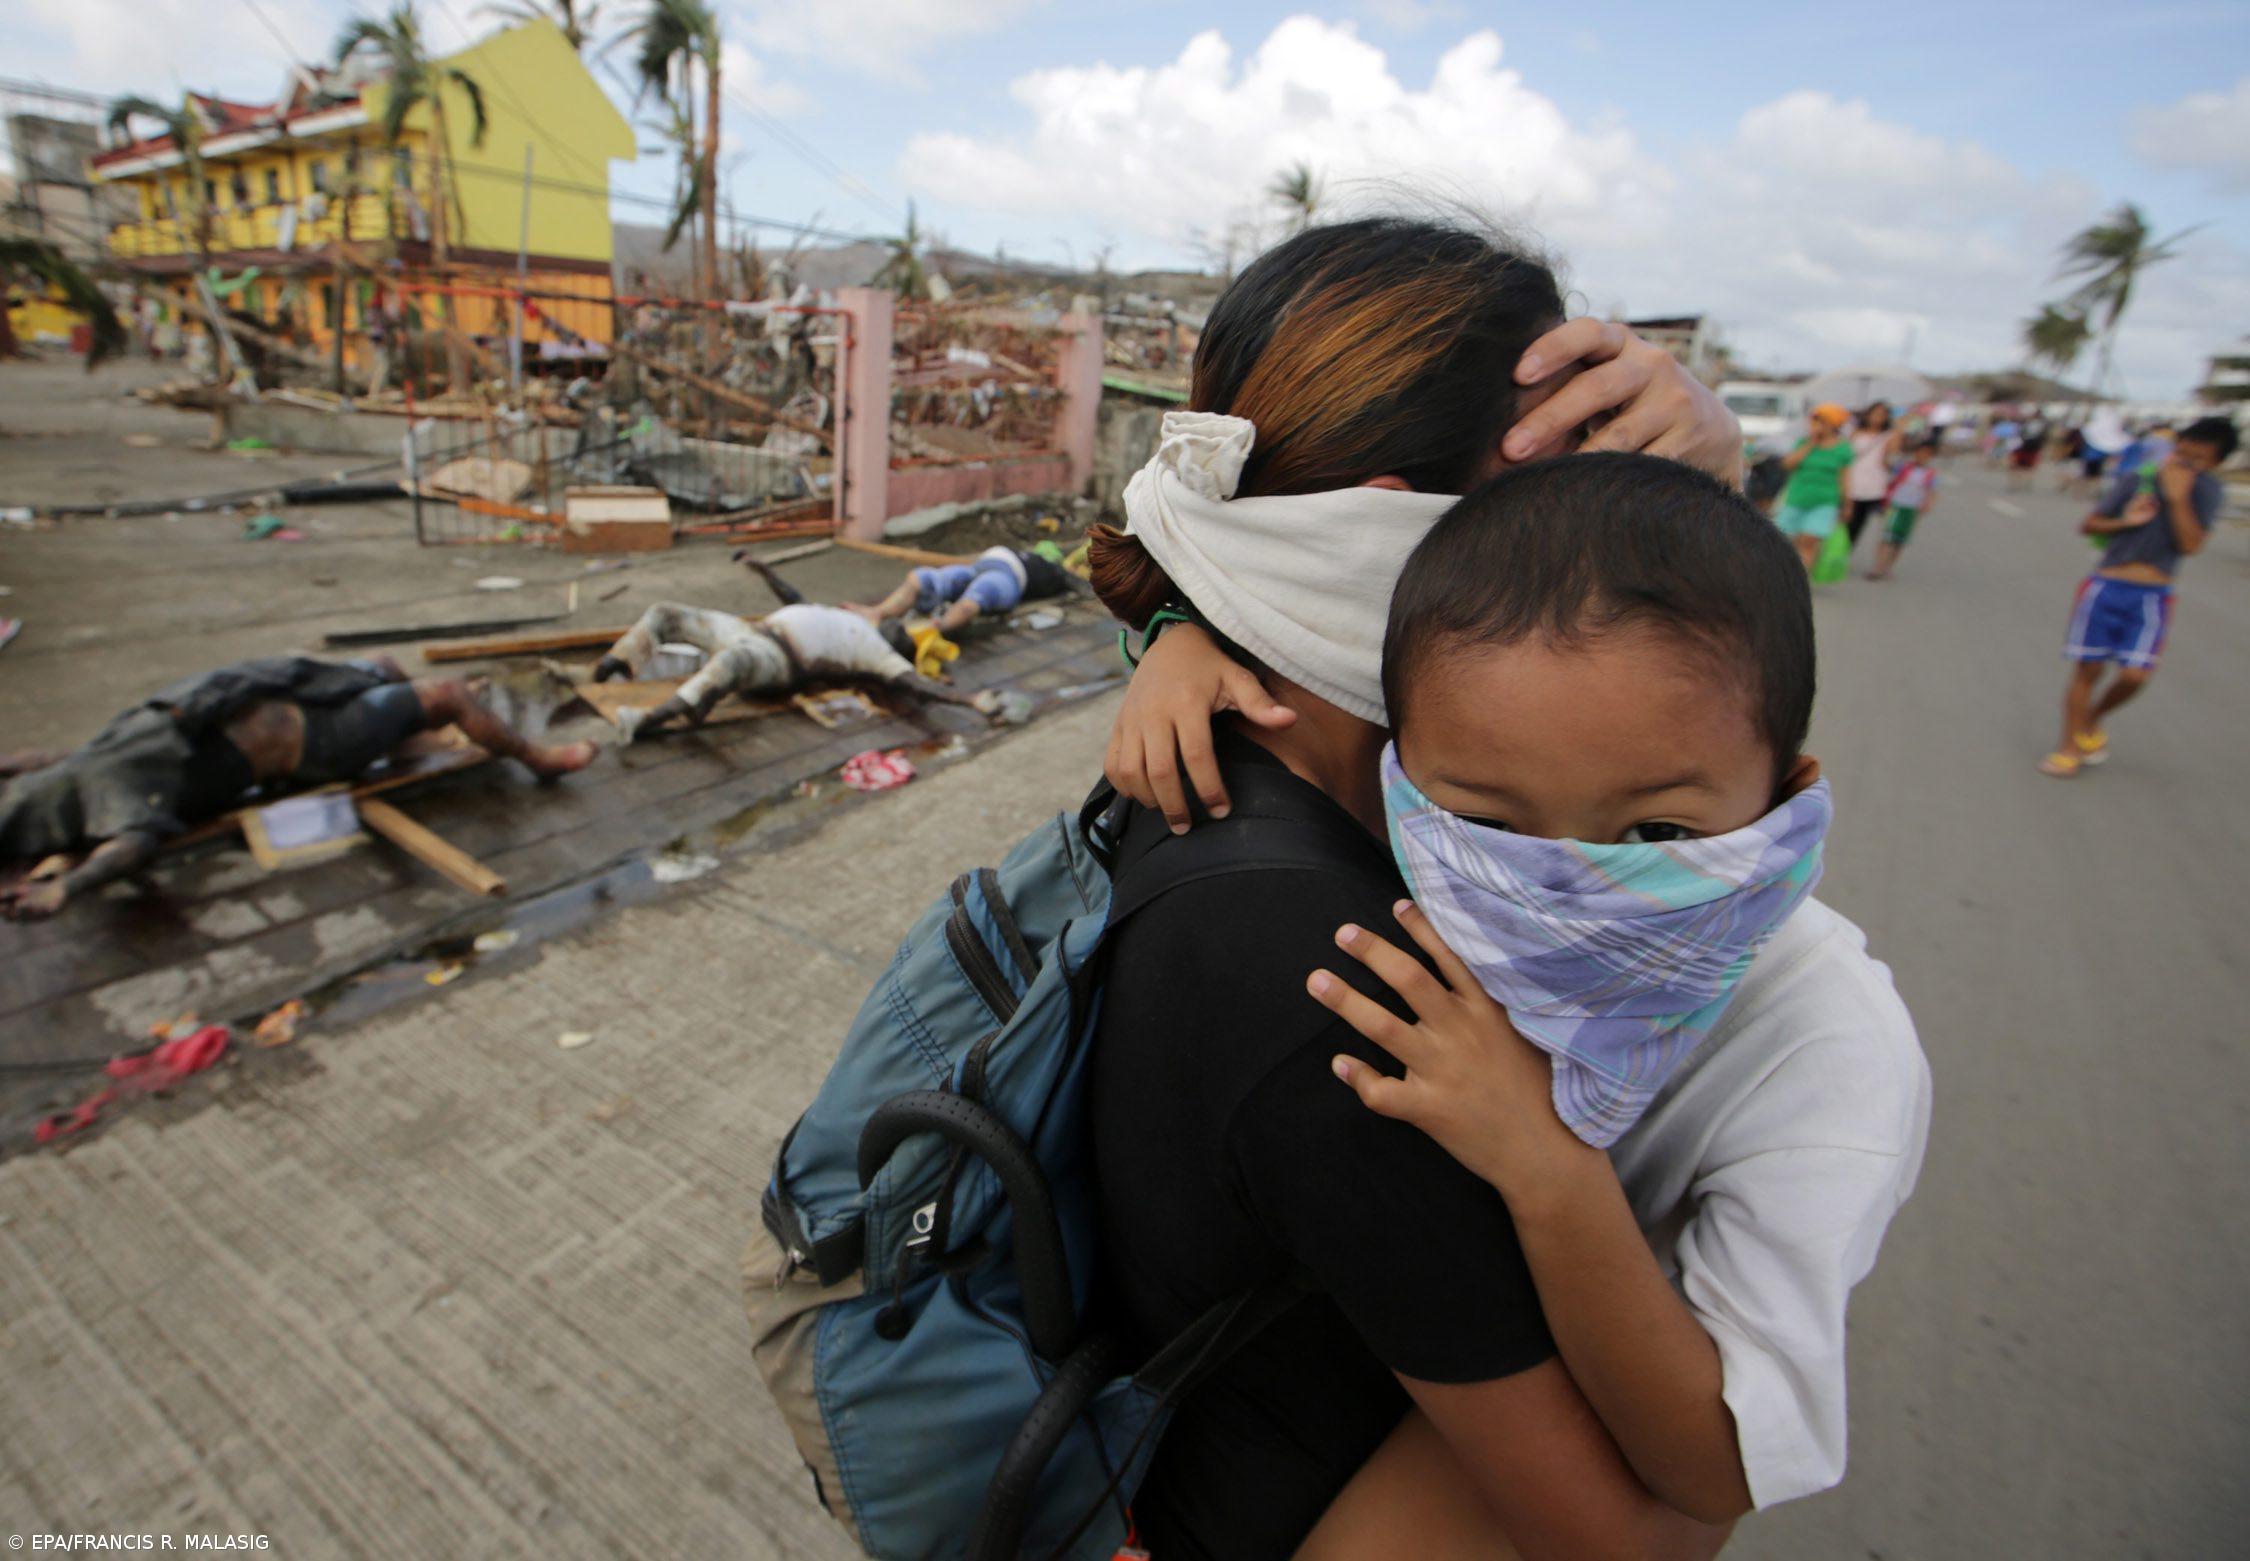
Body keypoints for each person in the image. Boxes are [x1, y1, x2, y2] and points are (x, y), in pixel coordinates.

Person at [1088, 215, 1749, 1561]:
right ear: (1396, 539)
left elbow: (1692, 753)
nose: (1605, 556)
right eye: (1565, 507)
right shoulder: (1356, 987)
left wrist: (1714, 484)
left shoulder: (1209, 749)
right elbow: (1632, 1535)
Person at [1294, 455, 1927, 1549]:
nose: (1566, 896)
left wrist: (1547, 1167)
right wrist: (1177, 645)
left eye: (1654, 840)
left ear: (1785, 794)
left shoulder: (1830, 1046)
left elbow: (1715, 1465)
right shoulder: (1413, 844)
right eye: (1492, 827)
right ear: (1393, 774)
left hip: (1603, 1441)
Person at [0, 655, 594, 920]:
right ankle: (536, 759)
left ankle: (407, 731)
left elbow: (32, 759)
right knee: (450, 694)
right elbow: (131, 846)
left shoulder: (76, 768)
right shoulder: (116, 802)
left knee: (386, 667)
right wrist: (67, 890)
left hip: (292, 692)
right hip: (316, 741)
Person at [2041, 415, 2239, 777]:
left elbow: (2191, 544)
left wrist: (2179, 498)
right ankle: (2067, 747)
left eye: (2196, 459)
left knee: (2135, 676)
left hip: (2154, 595)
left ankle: (2092, 718)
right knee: (2088, 669)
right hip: (2106, 584)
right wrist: (2126, 522)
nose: (2183, 462)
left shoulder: (2208, 491)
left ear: (2216, 463)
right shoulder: (2139, 477)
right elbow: (2090, 524)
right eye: (2181, 451)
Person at [589, 588, 1003, 740]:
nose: (900, 629)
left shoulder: (881, 655)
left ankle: (648, 720)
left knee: (730, 663)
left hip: (776, 660)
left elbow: (918, 685)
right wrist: (758, 566)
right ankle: (618, 661)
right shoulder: (856, 620)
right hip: (752, 628)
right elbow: (793, 596)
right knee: (666, 613)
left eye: (904, 636)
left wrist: (971, 700)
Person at [845, 544, 1076, 636]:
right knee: (922, 578)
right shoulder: (1044, 555)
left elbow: (970, 605)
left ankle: (937, 628)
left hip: (1008, 577)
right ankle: (878, 612)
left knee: (974, 598)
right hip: (980, 565)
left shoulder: (1055, 572)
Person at [1772, 403, 1855, 571]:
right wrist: (1811, 443)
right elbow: (1788, 464)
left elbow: (1845, 479)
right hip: (1797, 498)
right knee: (1788, 541)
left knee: (1808, 540)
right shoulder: (1804, 443)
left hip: (1825, 501)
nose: (1818, 426)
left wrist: (1847, 505)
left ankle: (1801, 578)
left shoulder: (1843, 449)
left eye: (1823, 422)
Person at [1869, 435, 1941, 580]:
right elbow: (1887, 469)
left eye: (1928, 454)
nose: (1923, 456)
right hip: (1896, 506)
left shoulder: (1930, 474)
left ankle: (1888, 567)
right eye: (1921, 452)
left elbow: (1931, 492)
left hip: (1912, 510)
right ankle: (1878, 566)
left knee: (1900, 541)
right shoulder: (1903, 467)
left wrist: (1928, 504)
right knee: (1887, 536)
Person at [1842, 401, 1900, 551]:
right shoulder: (1854, 432)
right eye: (1875, 413)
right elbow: (1845, 456)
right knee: (1843, 518)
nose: (1878, 417)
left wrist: (1894, 439)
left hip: (1873, 484)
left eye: (1882, 414)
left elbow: (1890, 461)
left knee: (1858, 522)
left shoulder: (1889, 436)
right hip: (1851, 481)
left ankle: (1845, 551)